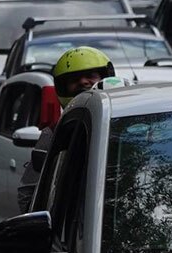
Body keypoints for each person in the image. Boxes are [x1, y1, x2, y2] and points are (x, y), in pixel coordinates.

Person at [16, 47, 115, 213]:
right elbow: (28, 195)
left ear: (105, 77)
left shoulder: (134, 129)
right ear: (63, 87)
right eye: (74, 79)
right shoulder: (56, 133)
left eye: (91, 76)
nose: (83, 82)